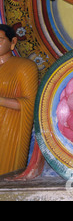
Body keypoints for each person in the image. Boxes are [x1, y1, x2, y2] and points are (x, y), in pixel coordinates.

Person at [0, 24, 39, 176]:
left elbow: (30, 104)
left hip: (10, 130)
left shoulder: (25, 67)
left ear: (13, 42)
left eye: (0, 40)